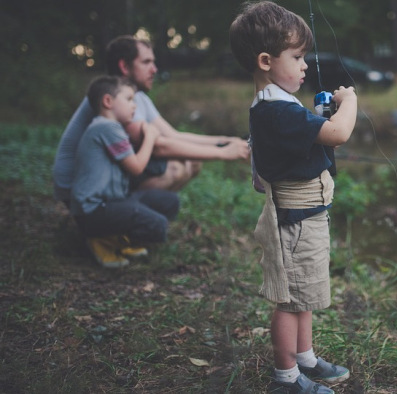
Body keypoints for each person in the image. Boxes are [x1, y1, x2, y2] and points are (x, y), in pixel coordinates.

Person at [229, 2, 357, 393]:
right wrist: (349, 102)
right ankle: (286, 378)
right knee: (290, 300)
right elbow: (337, 134)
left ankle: (305, 358)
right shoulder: (275, 111)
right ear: (266, 60)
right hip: (296, 223)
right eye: (297, 57)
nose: (305, 65)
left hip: (307, 217)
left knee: (304, 295)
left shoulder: (279, 105)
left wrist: (320, 114)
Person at [52, 35, 249, 264]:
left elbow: (173, 135)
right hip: (82, 189)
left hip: (104, 182)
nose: (154, 69)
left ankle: (124, 226)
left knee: (191, 162)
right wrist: (224, 153)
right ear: (125, 66)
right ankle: (108, 232)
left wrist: (226, 140)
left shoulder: (134, 97)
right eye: (146, 62)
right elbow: (159, 146)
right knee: (176, 166)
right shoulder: (115, 101)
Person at [71, 75, 179, 268]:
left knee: (170, 201)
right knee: (158, 225)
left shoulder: (110, 128)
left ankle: (116, 237)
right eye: (129, 99)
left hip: (112, 202)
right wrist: (151, 137)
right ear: (108, 101)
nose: (134, 106)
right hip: (93, 212)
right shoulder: (107, 127)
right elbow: (137, 168)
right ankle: (101, 240)